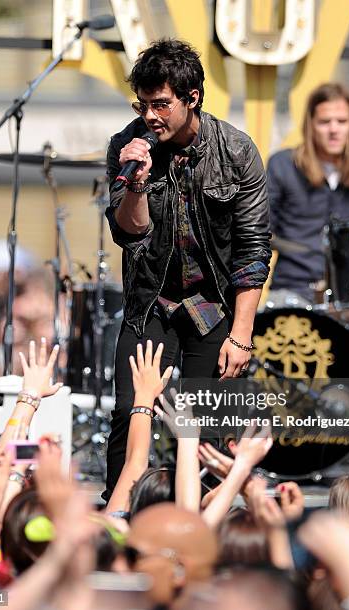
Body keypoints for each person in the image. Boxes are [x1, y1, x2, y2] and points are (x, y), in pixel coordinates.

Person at [105, 38, 271, 497]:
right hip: (152, 304)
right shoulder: (127, 144)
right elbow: (129, 233)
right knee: (127, 412)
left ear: (191, 97)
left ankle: (209, 526)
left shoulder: (236, 150)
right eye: (143, 105)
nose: (150, 116)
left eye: (161, 104)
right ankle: (120, 520)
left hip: (212, 307)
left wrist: (241, 334)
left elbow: (253, 249)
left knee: (209, 429)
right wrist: (136, 185)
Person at [267, 82, 349, 304]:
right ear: (310, 125)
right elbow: (263, 230)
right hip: (292, 288)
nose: (334, 129)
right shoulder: (282, 164)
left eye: (342, 121)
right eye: (324, 122)